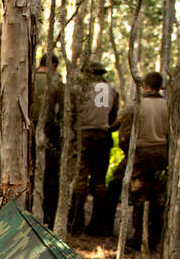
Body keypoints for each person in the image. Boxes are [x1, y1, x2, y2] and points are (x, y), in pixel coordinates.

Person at [106, 71, 169, 251]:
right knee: (157, 197)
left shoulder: (135, 106)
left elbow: (123, 133)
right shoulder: (168, 105)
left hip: (141, 154)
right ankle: (154, 238)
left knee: (139, 196)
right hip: (162, 155)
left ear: (143, 86)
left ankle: (139, 238)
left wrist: (129, 154)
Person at [68, 61, 118, 236]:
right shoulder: (111, 90)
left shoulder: (79, 89)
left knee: (79, 180)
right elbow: (113, 117)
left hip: (83, 136)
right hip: (102, 137)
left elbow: (72, 114)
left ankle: (76, 224)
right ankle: (97, 226)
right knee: (99, 182)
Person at [31, 53, 64, 228]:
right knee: (50, 175)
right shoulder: (56, 82)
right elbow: (64, 110)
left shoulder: (28, 78)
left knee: (29, 170)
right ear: (54, 66)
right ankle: (48, 216)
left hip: (27, 131)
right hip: (49, 131)